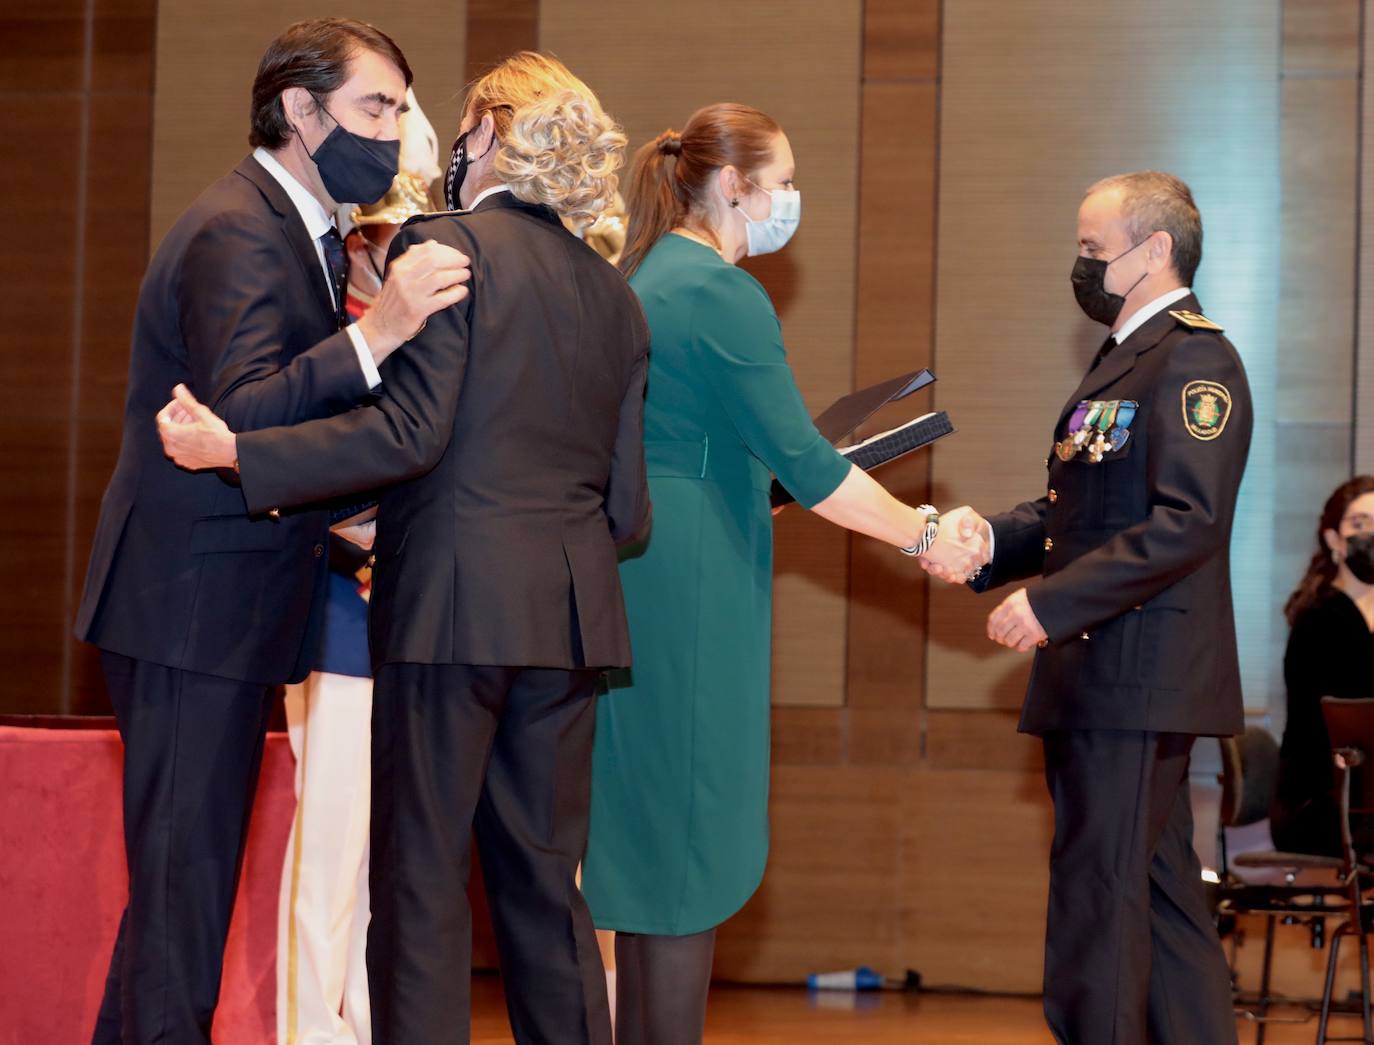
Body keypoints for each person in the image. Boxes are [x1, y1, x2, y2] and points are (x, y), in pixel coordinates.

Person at [156, 52, 648, 1045]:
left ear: (491, 136)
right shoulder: (615, 297)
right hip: (567, 619)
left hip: (450, 613)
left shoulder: (448, 247)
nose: (443, 150)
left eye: (458, 131)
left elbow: (410, 435)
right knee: (546, 892)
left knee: (420, 881)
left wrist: (240, 450)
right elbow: (627, 511)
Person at [74, 19, 470, 1043]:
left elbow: (281, 437)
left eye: (400, 110)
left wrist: (364, 525)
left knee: (178, 895)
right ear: (300, 110)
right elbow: (243, 412)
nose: (392, 133)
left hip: (221, 607)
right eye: (374, 107)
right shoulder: (239, 228)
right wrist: (379, 335)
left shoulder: (302, 224)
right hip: (188, 609)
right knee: (184, 895)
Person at [578, 103, 988, 1045]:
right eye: (786, 181)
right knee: (691, 837)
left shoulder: (640, 270)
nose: (794, 199)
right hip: (691, 583)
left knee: (645, 843)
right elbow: (811, 467)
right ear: (733, 185)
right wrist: (926, 536)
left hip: (639, 562)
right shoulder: (720, 292)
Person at [926, 171, 1252, 1045]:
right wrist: (989, 542)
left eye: (1090, 247)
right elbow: (1079, 510)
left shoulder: (1194, 359)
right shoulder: (1124, 357)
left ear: (1153, 250)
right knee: (1159, 897)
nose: (1079, 263)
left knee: (1097, 902)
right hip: (1108, 675)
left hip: (1135, 674)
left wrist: (1053, 603)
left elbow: (1188, 524)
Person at [276, 130, 438, 1045]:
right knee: (330, 860)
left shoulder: (425, 337)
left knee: (391, 865)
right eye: (381, 237)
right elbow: (301, 464)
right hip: (342, 615)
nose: (389, 252)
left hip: (411, 620)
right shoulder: (332, 331)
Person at [1270, 476, 1374, 856]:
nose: (1371, 535)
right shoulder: (1320, 618)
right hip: (1322, 800)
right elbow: (1346, 721)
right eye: (1360, 524)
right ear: (1334, 539)